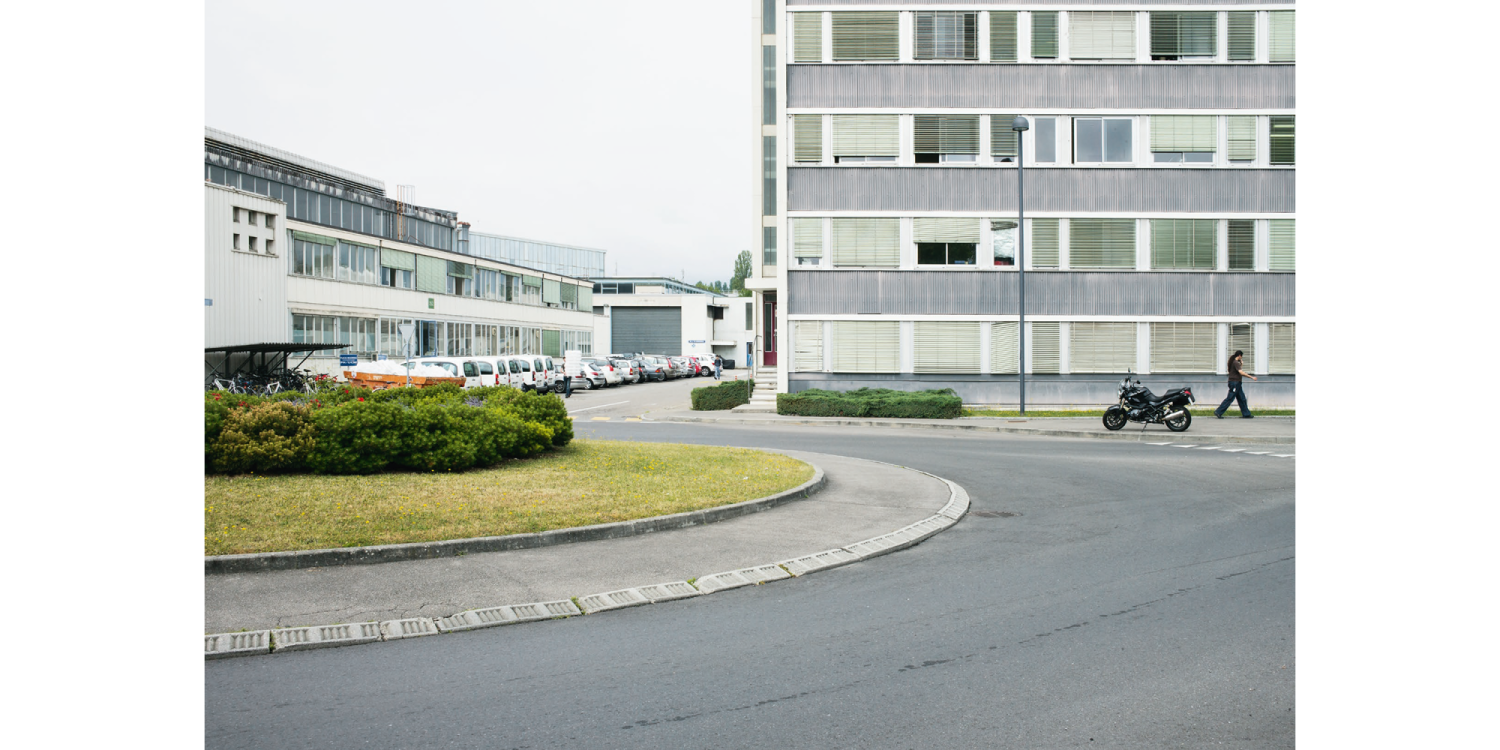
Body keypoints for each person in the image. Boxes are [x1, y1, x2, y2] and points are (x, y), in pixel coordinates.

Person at [1214, 349, 1258, 418]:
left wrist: (1241, 364)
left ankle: (1246, 414)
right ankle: (1218, 412)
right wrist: (1251, 377)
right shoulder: (1235, 362)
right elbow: (1241, 372)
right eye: (1241, 357)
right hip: (1235, 383)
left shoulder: (1234, 362)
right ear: (1239, 355)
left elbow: (1238, 371)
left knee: (1242, 399)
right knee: (1230, 398)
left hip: (1237, 383)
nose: (1241, 358)